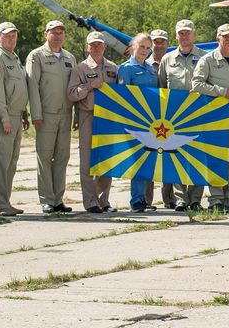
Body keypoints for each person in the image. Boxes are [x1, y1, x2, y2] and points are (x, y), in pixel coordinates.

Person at [193, 23, 229, 210]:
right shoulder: (207, 60)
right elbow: (197, 84)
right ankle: (216, 198)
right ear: (218, 38)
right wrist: (221, 91)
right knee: (216, 158)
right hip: (215, 119)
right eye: (225, 36)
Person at [26, 19, 77, 214]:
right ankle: (47, 199)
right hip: (45, 115)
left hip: (65, 114)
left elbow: (73, 88)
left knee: (62, 157)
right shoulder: (37, 56)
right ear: (46, 34)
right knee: (45, 157)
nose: (57, 36)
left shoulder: (69, 57)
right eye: (54, 32)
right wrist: (36, 114)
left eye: (61, 33)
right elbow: (33, 86)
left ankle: (58, 199)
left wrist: (75, 116)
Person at [67, 31, 121, 213]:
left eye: (99, 44)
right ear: (87, 47)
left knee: (107, 160)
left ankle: (103, 200)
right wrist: (89, 86)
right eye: (92, 45)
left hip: (108, 119)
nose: (96, 47)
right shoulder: (80, 69)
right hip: (88, 116)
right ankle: (90, 201)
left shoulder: (113, 68)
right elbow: (71, 93)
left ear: (104, 46)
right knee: (87, 161)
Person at [159, 20, 205, 210]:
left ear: (194, 34)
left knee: (198, 156)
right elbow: (161, 86)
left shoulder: (204, 57)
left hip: (199, 114)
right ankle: (180, 199)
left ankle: (195, 199)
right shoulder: (167, 59)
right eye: (181, 33)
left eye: (187, 32)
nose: (184, 36)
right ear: (176, 36)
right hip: (174, 116)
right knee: (176, 156)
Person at [0, 21, 29, 217]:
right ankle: (1, 204)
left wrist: (24, 113)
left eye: (14, 35)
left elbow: (20, 88)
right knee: (2, 160)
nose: (11, 39)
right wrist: (5, 119)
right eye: (7, 36)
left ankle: (6, 201)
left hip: (17, 114)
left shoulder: (14, 57)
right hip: (6, 116)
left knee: (12, 160)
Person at [116, 32, 160, 211]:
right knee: (137, 161)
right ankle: (136, 201)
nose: (145, 51)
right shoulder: (126, 69)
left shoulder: (151, 69)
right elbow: (122, 97)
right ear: (133, 46)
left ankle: (144, 200)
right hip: (135, 121)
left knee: (148, 160)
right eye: (141, 46)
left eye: (148, 48)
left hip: (151, 122)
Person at [138, 28, 171, 210]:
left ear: (167, 43)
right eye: (155, 42)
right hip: (147, 119)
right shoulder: (144, 65)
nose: (159, 45)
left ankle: (169, 198)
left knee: (168, 158)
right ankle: (146, 199)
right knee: (148, 158)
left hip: (168, 118)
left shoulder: (171, 61)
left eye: (162, 41)